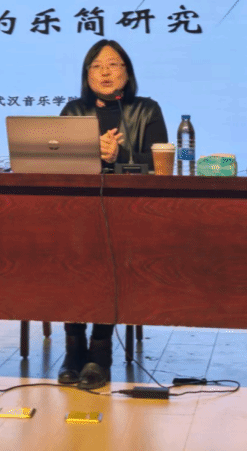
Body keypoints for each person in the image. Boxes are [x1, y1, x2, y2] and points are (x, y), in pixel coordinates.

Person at [56, 39, 168, 389]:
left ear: (127, 73)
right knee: (69, 257)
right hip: (77, 212)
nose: (105, 72)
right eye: (97, 66)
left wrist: (120, 157)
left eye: (113, 64)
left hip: (128, 214)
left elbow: (161, 163)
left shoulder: (147, 109)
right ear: (86, 74)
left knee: (108, 256)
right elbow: (56, 163)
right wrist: (92, 155)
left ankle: (100, 351)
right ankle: (73, 349)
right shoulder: (73, 111)